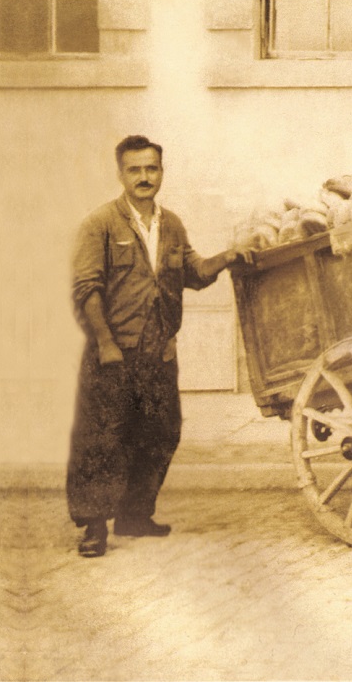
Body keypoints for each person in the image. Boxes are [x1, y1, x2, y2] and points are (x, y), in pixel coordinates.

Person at [68, 135, 247, 558]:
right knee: (102, 440)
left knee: (159, 433)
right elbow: (87, 289)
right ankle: (94, 526)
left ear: (162, 172)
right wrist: (106, 343)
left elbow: (195, 272)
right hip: (113, 352)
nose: (144, 177)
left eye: (152, 169)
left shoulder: (172, 225)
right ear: (121, 174)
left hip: (159, 351)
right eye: (135, 170)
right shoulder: (101, 224)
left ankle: (134, 514)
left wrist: (229, 256)